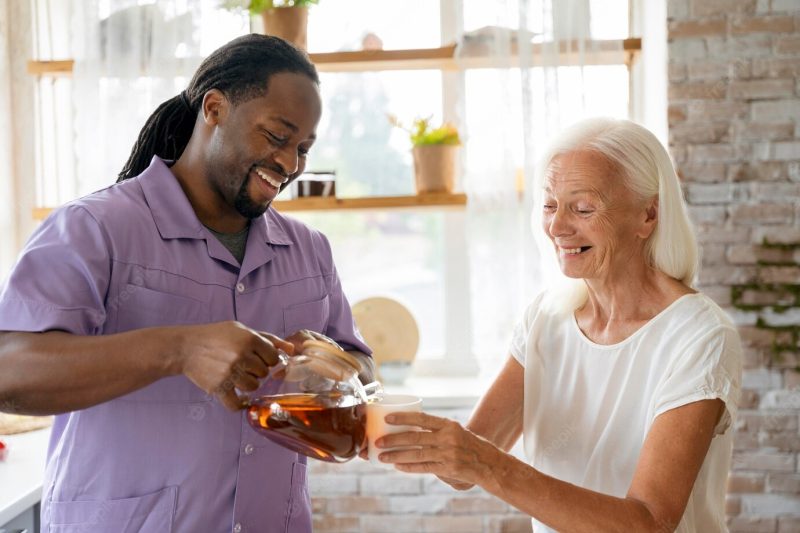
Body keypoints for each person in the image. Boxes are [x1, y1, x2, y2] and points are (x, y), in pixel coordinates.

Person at [0, 34, 374, 533]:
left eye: (303, 148)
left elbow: (364, 374)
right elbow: (10, 374)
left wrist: (329, 367)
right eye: (276, 136)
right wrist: (178, 350)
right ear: (215, 108)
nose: (290, 163)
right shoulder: (95, 229)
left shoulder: (310, 251)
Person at [375, 118, 742, 532]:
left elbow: (649, 523)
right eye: (550, 205)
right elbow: (463, 469)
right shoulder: (545, 319)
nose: (558, 227)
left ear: (648, 215)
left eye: (583, 208)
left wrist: (490, 466)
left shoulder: (699, 336)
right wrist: (368, 421)